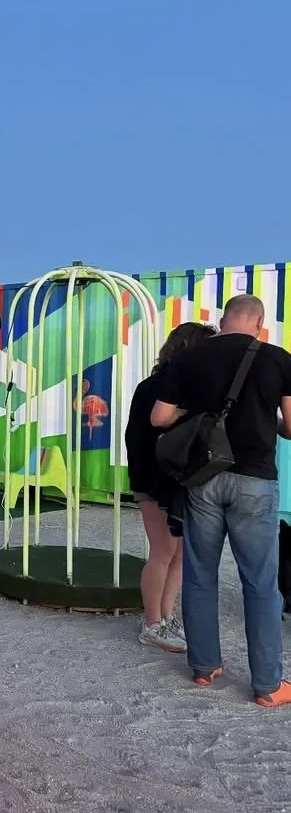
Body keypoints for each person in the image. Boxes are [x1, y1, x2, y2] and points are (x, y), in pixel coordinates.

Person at [152, 294, 291, 706]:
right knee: (260, 583)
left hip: (203, 478)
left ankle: (204, 667)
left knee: (200, 573)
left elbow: (159, 418)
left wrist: (198, 419)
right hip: (255, 480)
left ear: (223, 320)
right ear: (259, 325)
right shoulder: (278, 358)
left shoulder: (189, 358)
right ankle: (268, 685)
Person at [125, 321, 216, 652]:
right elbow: (141, 438)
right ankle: (152, 622)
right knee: (165, 551)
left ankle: (164, 617)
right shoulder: (159, 388)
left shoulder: (161, 385)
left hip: (166, 480)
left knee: (177, 552)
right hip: (157, 481)